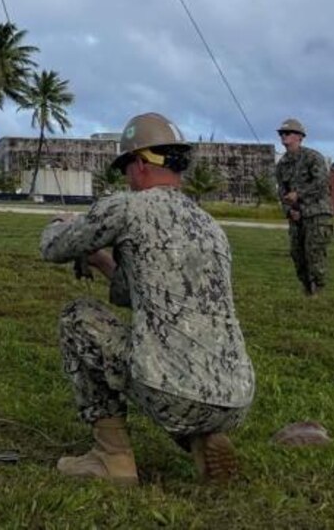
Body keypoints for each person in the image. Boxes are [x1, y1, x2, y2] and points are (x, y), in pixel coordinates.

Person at [39, 113, 255, 485]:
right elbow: (133, 294)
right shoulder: (209, 226)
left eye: (126, 167)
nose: (126, 177)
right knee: (172, 365)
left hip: (173, 389)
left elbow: (54, 248)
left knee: (77, 317)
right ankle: (202, 436)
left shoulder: (127, 206)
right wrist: (102, 260)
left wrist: (59, 223)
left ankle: (112, 458)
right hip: (235, 398)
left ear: (140, 163)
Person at [274, 117, 333, 296]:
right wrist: (289, 211)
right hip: (296, 217)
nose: (284, 136)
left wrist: (298, 194)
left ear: (300, 136)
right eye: (281, 133)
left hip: (317, 214)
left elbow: (322, 182)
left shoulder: (313, 158)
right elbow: (282, 192)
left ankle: (318, 292)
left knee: (314, 254)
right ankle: (307, 291)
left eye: (288, 133)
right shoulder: (282, 164)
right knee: (297, 255)